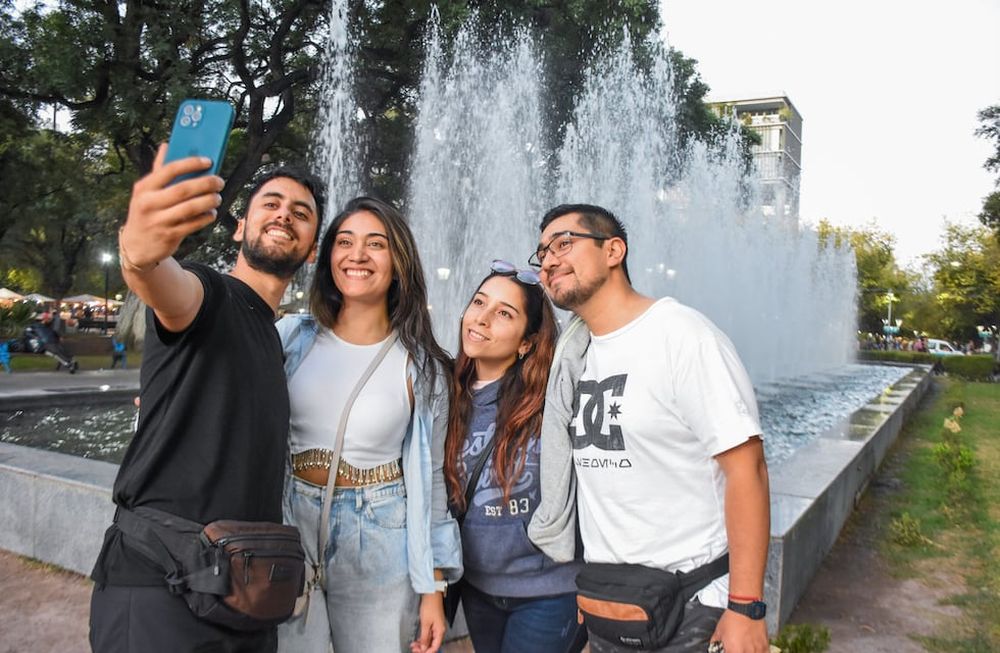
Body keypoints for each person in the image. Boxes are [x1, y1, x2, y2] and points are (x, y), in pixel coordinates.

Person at [88, 146, 324, 653]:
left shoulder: (274, 336)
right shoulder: (211, 294)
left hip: (240, 597)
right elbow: (163, 282)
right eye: (271, 203)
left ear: (310, 251)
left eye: (301, 213)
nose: (285, 214)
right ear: (240, 227)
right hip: (162, 594)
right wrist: (139, 251)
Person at [527, 204, 771, 653]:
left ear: (613, 250)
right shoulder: (577, 353)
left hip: (692, 607)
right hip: (611, 603)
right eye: (541, 252)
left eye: (563, 243)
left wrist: (746, 607)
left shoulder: (682, 336)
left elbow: (747, 470)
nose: (548, 260)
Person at [275, 196, 461, 653]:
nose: (357, 255)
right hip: (290, 522)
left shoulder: (423, 367)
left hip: (379, 532)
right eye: (345, 242)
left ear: (398, 262)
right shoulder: (289, 338)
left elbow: (432, 482)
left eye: (375, 244)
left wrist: (433, 591)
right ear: (329, 258)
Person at [443, 260, 586, 653]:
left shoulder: (552, 403)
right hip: (478, 589)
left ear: (527, 342)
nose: (482, 319)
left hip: (550, 592)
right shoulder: (445, 395)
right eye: (478, 303)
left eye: (504, 313)